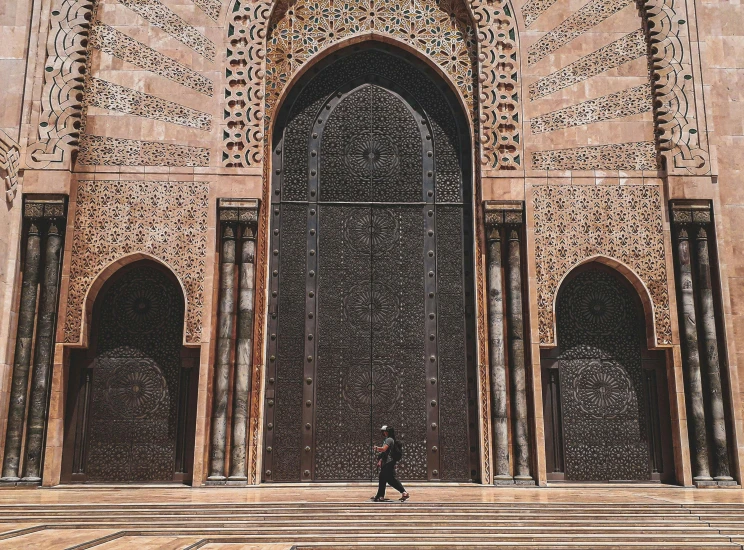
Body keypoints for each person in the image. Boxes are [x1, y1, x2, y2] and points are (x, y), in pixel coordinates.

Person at [371, 425, 409, 502]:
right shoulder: (388, 439)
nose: (383, 433)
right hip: (388, 462)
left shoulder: (389, 440)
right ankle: (381, 495)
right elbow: (385, 453)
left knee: (388, 479)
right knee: (385, 478)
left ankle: (381, 495)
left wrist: (376, 448)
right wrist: (380, 460)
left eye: (383, 431)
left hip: (389, 462)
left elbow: (384, 449)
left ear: (386, 432)